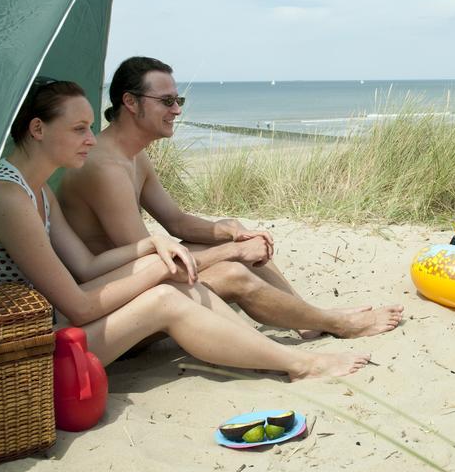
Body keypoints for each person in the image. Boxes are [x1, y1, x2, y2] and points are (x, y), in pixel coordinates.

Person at [0, 78, 370, 380]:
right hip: (20, 351)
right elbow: (80, 306)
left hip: (50, 325)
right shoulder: (8, 198)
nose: (91, 139)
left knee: (179, 286)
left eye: (91, 127)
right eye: (79, 129)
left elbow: (88, 268)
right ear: (38, 129)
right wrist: (162, 266)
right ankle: (300, 364)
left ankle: (284, 354)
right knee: (164, 296)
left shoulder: (37, 190)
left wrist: (153, 246)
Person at [59, 57, 403, 339]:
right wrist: (233, 250)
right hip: (116, 305)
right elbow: (154, 266)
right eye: (166, 101)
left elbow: (176, 221)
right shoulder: (105, 168)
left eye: (178, 100)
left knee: (239, 236)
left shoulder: (133, 155)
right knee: (231, 271)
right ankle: (333, 323)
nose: (176, 110)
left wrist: (231, 233)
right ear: (130, 103)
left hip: (137, 281)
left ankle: (306, 318)